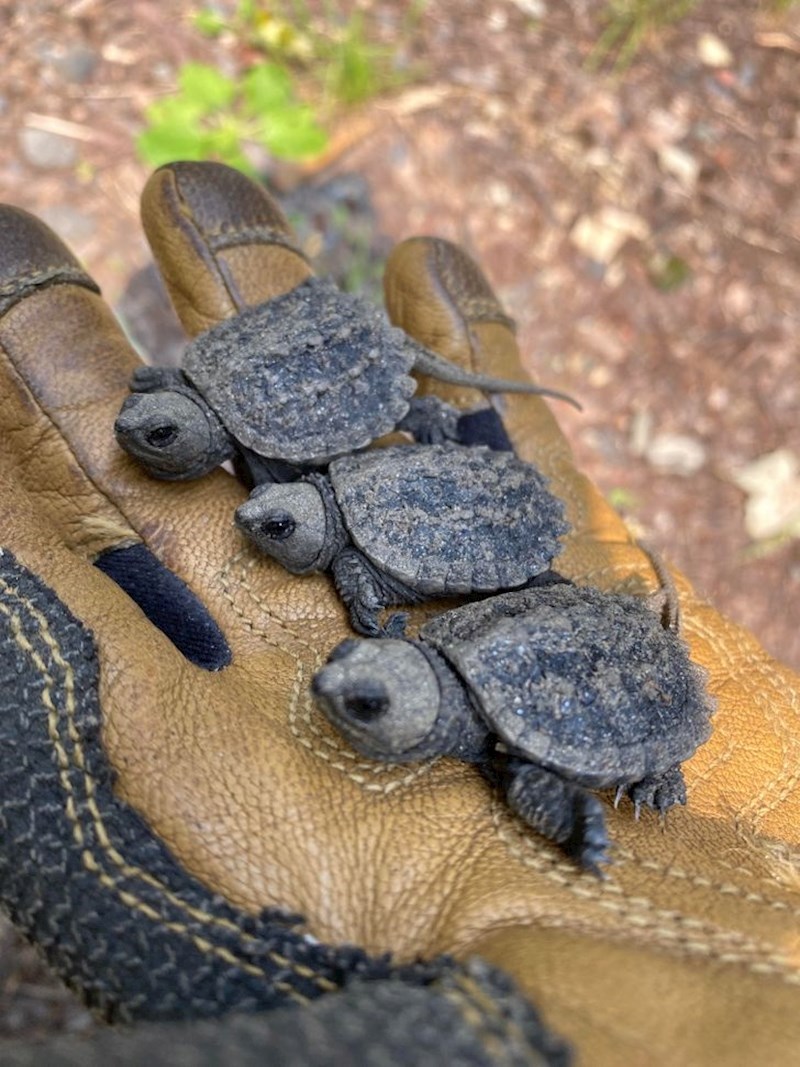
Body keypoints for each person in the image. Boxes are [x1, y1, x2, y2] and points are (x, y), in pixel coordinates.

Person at [0, 161, 798, 1065]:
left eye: (361, 692)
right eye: (364, 685)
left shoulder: (486, 705)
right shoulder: (420, 609)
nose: (336, 689)